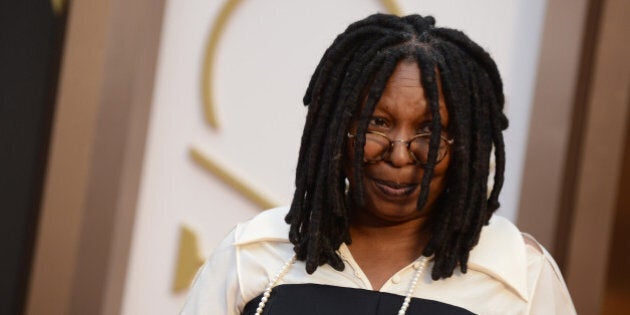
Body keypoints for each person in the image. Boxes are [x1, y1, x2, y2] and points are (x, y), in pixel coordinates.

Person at [181, 13, 576, 314]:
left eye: (430, 131)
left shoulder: (517, 276)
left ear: (464, 147)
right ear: (338, 128)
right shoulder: (255, 254)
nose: (400, 154)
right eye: (378, 123)